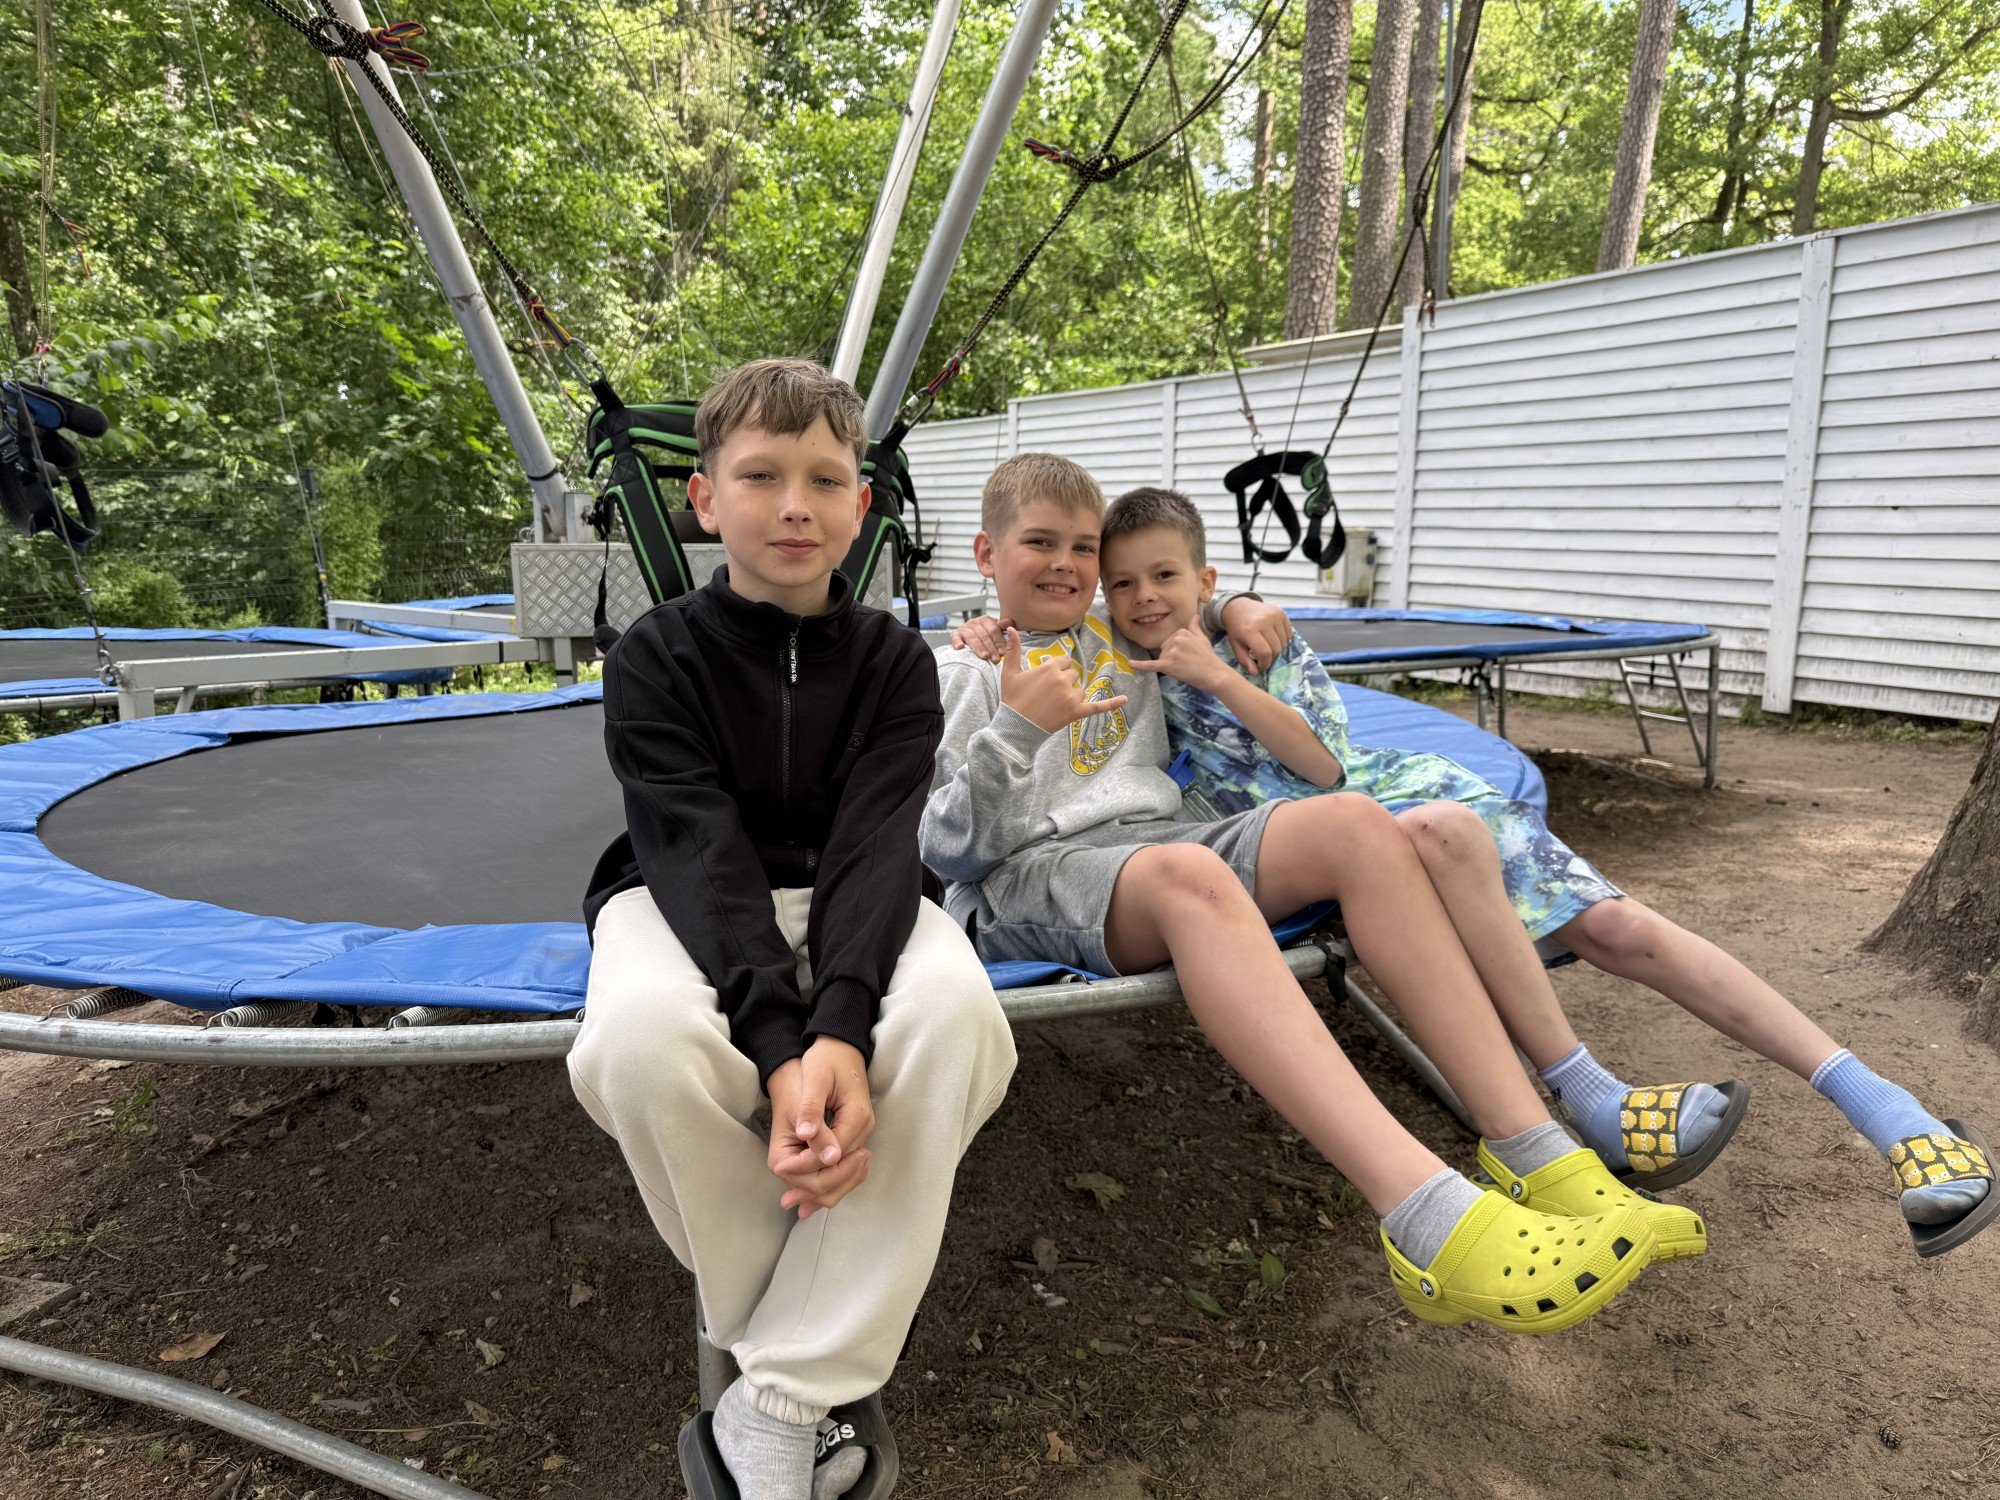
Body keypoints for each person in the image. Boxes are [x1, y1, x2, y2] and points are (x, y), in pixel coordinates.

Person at [1086, 482, 1995, 1259]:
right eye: (1122, 583)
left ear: (1204, 579)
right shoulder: (1118, 658)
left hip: (1385, 796)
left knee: (1609, 924)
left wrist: (1228, 648)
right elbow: (1048, 613)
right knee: (1442, 846)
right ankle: (1591, 1100)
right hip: (1325, 845)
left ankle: (1887, 1108)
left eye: (1165, 576)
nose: (1144, 597)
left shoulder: (1257, 644)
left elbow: (1323, 765)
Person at [923, 452, 1696, 1344]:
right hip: (1026, 874)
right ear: (987, 553)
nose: (1064, 563)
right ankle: (1424, 1213)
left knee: (1355, 825)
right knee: (1193, 878)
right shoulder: (967, 670)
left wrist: (1236, 605)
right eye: (1038, 544)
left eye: (1082, 547)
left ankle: (1537, 1150)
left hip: (1155, 841)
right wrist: (1016, 726)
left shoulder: (1117, 640)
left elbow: (1176, 588)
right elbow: (946, 847)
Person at [567, 359, 1017, 1500]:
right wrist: (782, 1049)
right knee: (640, 1045)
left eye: (824, 480)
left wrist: (842, 1031)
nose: (794, 506)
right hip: (679, 896)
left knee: (960, 1019)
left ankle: (771, 1402)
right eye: (760, 476)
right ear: (704, 498)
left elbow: (876, 843)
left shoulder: (893, 662)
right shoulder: (656, 655)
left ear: (861, 506)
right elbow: (696, 849)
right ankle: (817, 1353)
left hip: (856, 897)